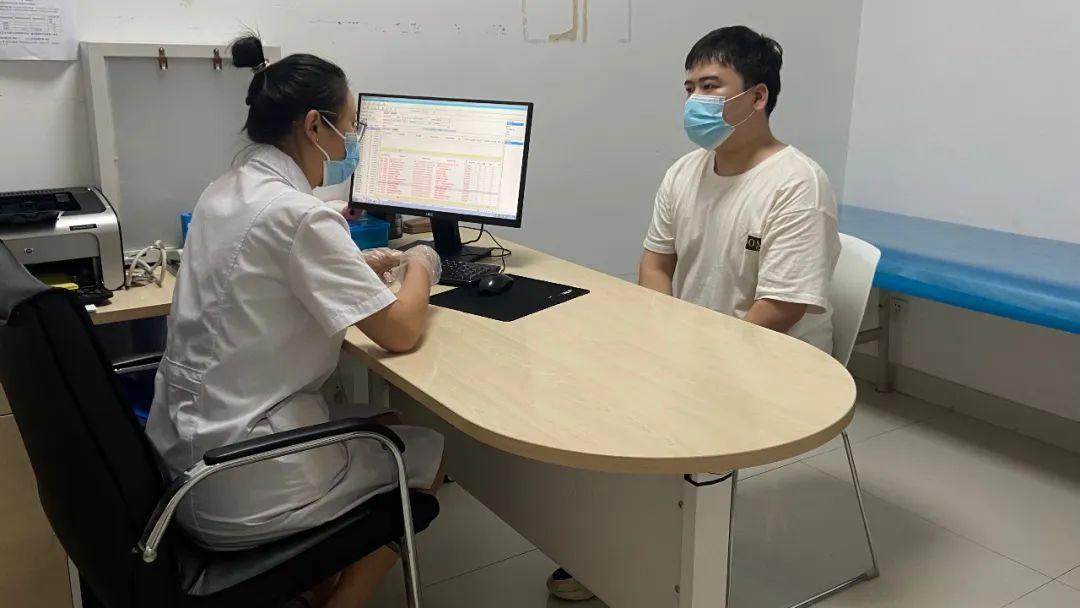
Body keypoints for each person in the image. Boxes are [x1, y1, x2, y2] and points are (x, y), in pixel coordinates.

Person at [146, 35, 445, 608]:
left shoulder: (223, 192)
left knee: (383, 419)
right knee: (427, 448)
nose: (353, 140)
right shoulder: (299, 214)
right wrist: (422, 266)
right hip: (246, 486)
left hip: (185, 469)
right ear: (314, 126)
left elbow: (258, 282)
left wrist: (352, 270)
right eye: (351, 125)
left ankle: (313, 587)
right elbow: (402, 331)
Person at [548, 26, 841, 602]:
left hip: (777, 360)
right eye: (689, 89)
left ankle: (638, 557)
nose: (694, 101)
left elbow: (782, 307)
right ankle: (605, 544)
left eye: (710, 86)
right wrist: (663, 340)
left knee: (635, 411)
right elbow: (655, 264)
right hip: (697, 344)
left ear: (757, 96)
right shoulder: (684, 171)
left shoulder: (797, 185)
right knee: (581, 380)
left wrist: (689, 364)